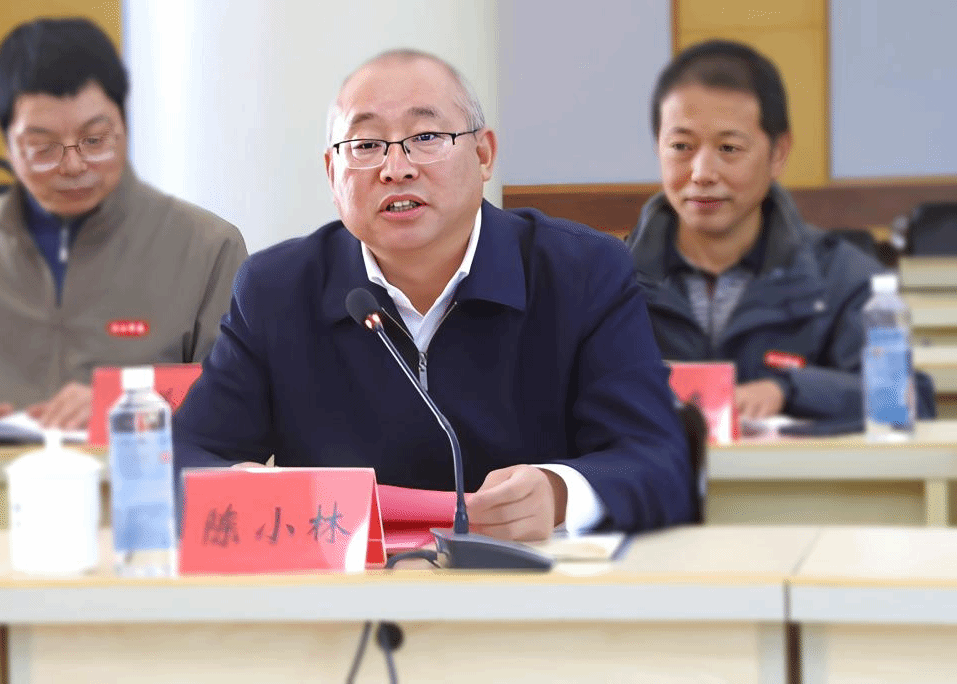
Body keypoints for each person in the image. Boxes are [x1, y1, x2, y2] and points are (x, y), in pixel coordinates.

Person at [173, 49, 693, 542]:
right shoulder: (276, 289)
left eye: (426, 137)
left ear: (484, 155)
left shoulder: (582, 272)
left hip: (529, 589)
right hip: (344, 591)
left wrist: (559, 493)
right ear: (333, 174)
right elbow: (185, 457)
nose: (395, 168)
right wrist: (250, 487)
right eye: (366, 145)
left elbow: (659, 461)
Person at [0, 18, 247, 433]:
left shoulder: (209, 249)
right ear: (7, 145)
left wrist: (124, 404)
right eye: (43, 147)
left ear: (125, 125)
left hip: (139, 473)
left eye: (95, 140)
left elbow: (239, 402)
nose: (73, 165)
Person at [626, 39, 935, 422]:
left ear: (778, 153)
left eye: (729, 148)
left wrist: (790, 390)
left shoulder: (843, 278)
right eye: (681, 146)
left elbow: (911, 400)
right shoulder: (612, 280)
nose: (702, 173)